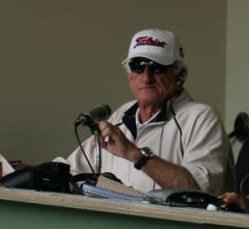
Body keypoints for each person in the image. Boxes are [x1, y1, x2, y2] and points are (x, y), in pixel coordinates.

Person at [57, 29, 235, 195]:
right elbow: (71, 168)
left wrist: (135, 154)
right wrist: (34, 171)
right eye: (137, 66)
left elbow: (199, 191)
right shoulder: (122, 114)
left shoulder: (201, 118)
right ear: (129, 75)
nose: (146, 77)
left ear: (179, 75)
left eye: (157, 67)